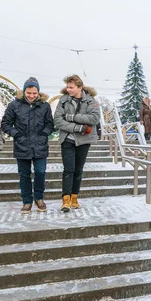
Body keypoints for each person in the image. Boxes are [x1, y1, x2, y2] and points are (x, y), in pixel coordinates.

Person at [0, 77, 54, 214]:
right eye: (29, 92)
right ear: (24, 91)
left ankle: (39, 198)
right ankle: (27, 201)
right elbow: (5, 123)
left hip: (40, 145)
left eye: (34, 93)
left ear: (38, 92)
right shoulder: (14, 105)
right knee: (24, 175)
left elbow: (50, 124)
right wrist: (16, 134)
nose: (31, 96)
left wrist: (44, 134)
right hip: (22, 145)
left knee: (40, 172)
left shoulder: (45, 105)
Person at [53, 74, 100, 212]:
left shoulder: (91, 101)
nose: (68, 89)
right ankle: (66, 200)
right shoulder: (63, 101)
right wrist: (77, 127)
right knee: (69, 170)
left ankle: (74, 198)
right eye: (67, 87)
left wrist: (72, 117)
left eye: (71, 87)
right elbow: (58, 120)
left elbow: (94, 118)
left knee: (78, 170)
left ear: (80, 87)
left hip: (84, 140)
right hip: (67, 139)